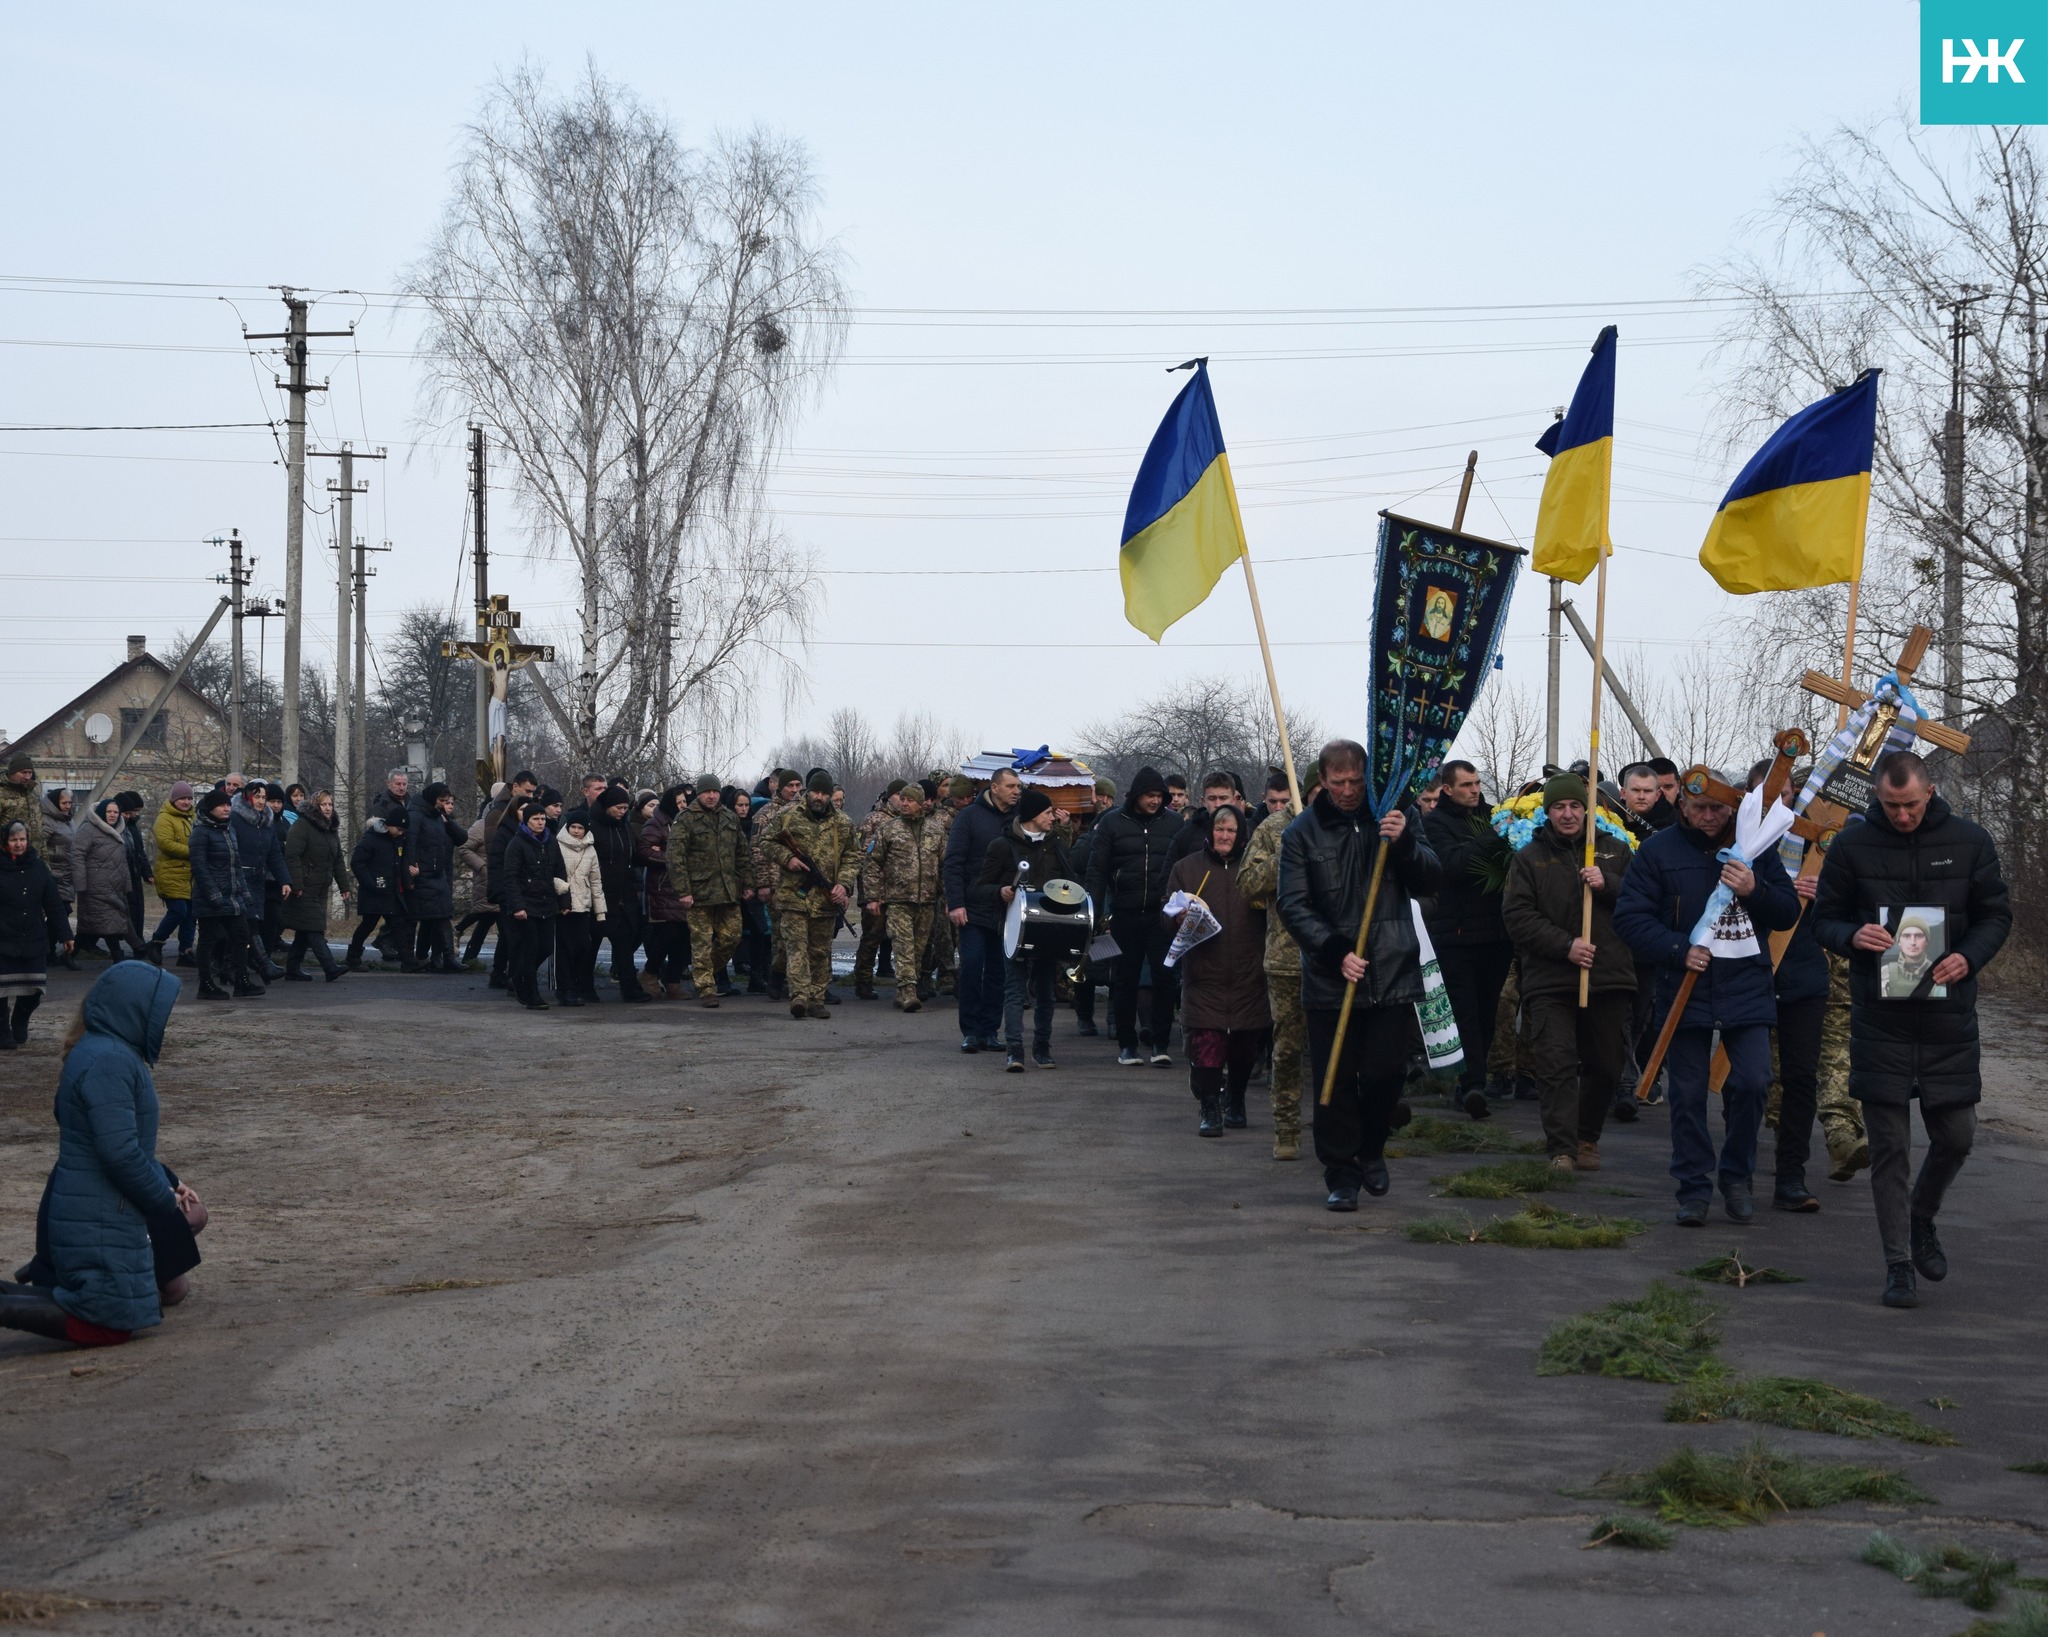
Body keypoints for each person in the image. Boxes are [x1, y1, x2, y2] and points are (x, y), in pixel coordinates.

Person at [1812, 750, 2012, 1308]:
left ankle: (1923, 1216)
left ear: (1930, 793)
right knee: (1890, 1149)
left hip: (1949, 1018)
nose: (1902, 816)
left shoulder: (1971, 841)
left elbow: (1996, 914)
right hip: (1882, 1021)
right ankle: (1897, 1264)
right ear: (1877, 796)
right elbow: (1822, 918)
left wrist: (1968, 958)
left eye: (1911, 805)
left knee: (1957, 1137)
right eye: (1891, 805)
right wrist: (1852, 937)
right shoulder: (1851, 845)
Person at [1615, 778, 1800, 1228]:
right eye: (1699, 808)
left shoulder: (1754, 846)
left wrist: (1755, 887)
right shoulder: (1658, 852)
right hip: (1685, 987)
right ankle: (1693, 1187)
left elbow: (1787, 912)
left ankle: (1737, 1178)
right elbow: (1630, 918)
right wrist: (1679, 949)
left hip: (1746, 985)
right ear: (1681, 805)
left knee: (1755, 1082)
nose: (1709, 817)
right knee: (1687, 1092)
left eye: (1718, 809)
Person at [0, 962, 205, 1349]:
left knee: (105, 1311)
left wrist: (167, 1183)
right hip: (100, 1208)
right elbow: (120, 1153)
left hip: (96, 1203)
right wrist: (162, 1197)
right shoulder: (110, 1060)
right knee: (105, 1322)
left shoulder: (102, 1051)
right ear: (131, 1009)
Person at [1276, 740, 1442, 1211]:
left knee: (1387, 1072)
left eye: (1355, 781)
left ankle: (1372, 1149)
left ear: (1368, 777)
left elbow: (1432, 880)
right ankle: (1341, 1172)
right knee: (1335, 1080)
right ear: (1322, 782)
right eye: (1338, 782)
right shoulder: (1301, 833)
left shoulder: (1396, 814)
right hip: (1332, 977)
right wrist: (1333, 952)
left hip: (1392, 969)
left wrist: (1405, 840)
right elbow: (1293, 904)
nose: (1348, 791)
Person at [1501, 773, 1637, 1173]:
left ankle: (1586, 1137)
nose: (1567, 814)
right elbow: (1517, 916)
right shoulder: (1528, 858)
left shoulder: (1615, 851)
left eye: (1575, 806)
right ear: (1547, 812)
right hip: (1551, 979)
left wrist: (1608, 883)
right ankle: (1561, 1148)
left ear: (1586, 809)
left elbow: (1644, 900)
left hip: (1609, 975)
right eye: (1559, 807)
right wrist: (1566, 946)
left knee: (1605, 1064)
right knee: (1555, 1063)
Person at [1163, 802, 1267, 1136]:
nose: (1224, 836)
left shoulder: (1254, 868)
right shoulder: (1186, 868)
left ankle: (1235, 1100)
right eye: (1219, 829)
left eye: (1231, 830)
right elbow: (1165, 916)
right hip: (1204, 971)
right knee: (1207, 1043)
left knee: (1243, 1045)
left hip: (1249, 971)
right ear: (1210, 832)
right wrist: (1178, 918)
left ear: (1241, 834)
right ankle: (1209, 1106)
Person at [1421, 759, 1513, 1121]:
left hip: (1496, 933)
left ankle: (1475, 1077)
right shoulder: (1434, 824)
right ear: (1447, 789)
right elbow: (1451, 866)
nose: (1474, 790)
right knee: (1465, 1012)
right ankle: (1470, 1083)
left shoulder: (1493, 815)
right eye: (1466, 785)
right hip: (1456, 935)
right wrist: (1494, 837)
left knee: (1488, 1011)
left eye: (1476, 784)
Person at [1087, 765, 1185, 1067]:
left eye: (1159, 795)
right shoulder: (1112, 823)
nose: (1154, 801)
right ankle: (1127, 1043)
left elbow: (1183, 867)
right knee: (1125, 980)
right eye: (1149, 796)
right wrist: (1094, 910)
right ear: (1137, 796)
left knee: (1165, 978)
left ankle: (1160, 1042)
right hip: (1125, 913)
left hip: (1161, 914)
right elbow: (1097, 869)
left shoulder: (1174, 823)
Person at [970, 788, 1072, 1069]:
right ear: (1032, 816)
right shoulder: (1002, 846)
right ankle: (1015, 1050)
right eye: (1048, 813)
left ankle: (1042, 1047)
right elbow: (981, 887)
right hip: (1014, 927)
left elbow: (1071, 882)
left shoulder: (1057, 845)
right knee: (1014, 990)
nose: (1053, 817)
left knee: (1046, 991)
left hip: (1049, 927)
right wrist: (1000, 891)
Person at [1239, 775, 1313, 1160]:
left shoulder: (1347, 827)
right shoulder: (1274, 828)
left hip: (1339, 959)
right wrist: (1288, 852)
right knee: (1286, 1050)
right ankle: (1287, 1128)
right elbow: (1248, 883)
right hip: (1288, 957)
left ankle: (1344, 1128)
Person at [760, 770, 859, 1020]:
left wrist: (844, 884)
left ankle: (816, 999)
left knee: (819, 951)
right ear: (808, 792)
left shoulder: (843, 823)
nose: (820, 797)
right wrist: (788, 858)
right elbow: (766, 842)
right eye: (816, 792)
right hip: (794, 895)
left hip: (826, 899)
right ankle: (799, 997)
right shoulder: (788, 816)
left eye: (825, 793)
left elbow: (854, 855)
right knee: (796, 949)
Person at [944, 767, 1022, 1051]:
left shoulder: (1020, 818)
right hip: (973, 907)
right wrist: (955, 903)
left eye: (1018, 787)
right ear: (995, 787)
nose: (1016, 791)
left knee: (998, 971)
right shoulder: (969, 817)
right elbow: (953, 862)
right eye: (1011, 786)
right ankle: (971, 1031)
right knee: (972, 965)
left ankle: (990, 1030)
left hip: (1007, 909)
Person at [865, 779, 947, 1015]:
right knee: (903, 946)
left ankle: (904, 991)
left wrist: (948, 897)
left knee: (919, 949)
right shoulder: (888, 830)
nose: (905, 803)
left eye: (910, 800)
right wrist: (873, 896)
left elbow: (945, 866)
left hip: (927, 900)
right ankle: (908, 991)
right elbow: (872, 865)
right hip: (898, 900)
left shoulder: (936, 831)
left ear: (922, 804)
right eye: (902, 799)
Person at [671, 774, 752, 1008]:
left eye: (715, 792)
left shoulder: (729, 817)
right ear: (699, 793)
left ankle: (702, 971)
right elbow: (676, 858)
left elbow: (742, 853)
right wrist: (683, 891)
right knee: (701, 941)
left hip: (728, 892)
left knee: (732, 937)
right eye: (707, 792)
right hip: (699, 893)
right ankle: (706, 987)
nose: (712, 795)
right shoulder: (686, 819)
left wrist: (748, 883)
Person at [0, 820, 71, 1048]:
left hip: (33, 936)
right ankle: (2, 1032)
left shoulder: (38, 867)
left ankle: (20, 1018)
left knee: (34, 991)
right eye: (13, 840)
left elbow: (53, 904)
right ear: (5, 842)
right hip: (3, 937)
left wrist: (66, 935)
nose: (18, 844)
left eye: (22, 839)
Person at [188, 787, 256, 1000]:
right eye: (221, 805)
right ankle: (205, 984)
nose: (226, 808)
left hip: (232, 897)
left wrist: (244, 893)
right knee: (208, 940)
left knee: (241, 936)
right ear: (210, 808)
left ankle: (241, 980)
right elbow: (199, 867)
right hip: (211, 899)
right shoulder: (200, 832)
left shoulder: (229, 830)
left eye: (228, 804)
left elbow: (236, 866)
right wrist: (213, 894)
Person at [281, 790, 350, 981]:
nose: (328, 808)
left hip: (321, 887)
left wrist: (344, 886)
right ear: (314, 807)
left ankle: (292, 969)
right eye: (324, 804)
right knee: (314, 928)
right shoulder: (302, 826)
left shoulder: (330, 829)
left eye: (330, 804)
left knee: (305, 930)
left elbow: (337, 860)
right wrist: (296, 883)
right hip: (304, 887)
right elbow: (292, 856)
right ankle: (329, 967)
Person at [589, 786, 648, 1003]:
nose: (622, 811)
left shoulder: (624, 828)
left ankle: (629, 988)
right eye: (618, 807)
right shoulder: (592, 827)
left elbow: (632, 857)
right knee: (591, 944)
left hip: (623, 895)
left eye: (625, 808)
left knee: (624, 944)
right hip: (598, 896)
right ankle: (585, 986)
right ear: (607, 807)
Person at [501, 799, 560, 1009]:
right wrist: (518, 906)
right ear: (527, 821)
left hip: (547, 903)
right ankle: (532, 995)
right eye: (536, 819)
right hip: (526, 904)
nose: (540, 822)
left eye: (543, 818)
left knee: (545, 947)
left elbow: (559, 872)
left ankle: (519, 976)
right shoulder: (517, 844)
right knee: (531, 948)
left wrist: (564, 900)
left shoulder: (551, 841)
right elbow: (510, 877)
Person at [73, 797, 147, 963]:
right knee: (108, 921)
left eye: (115, 812)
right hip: (94, 885)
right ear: (101, 812)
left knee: (98, 923)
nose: (112, 815)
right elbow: (77, 855)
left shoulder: (120, 830)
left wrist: (126, 884)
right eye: (109, 812)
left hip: (114, 885)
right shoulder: (88, 829)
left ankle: (70, 955)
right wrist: (80, 883)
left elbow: (122, 861)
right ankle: (120, 955)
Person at [229, 781, 291, 979]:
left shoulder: (266, 822)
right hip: (238, 878)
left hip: (258, 880)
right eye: (257, 796)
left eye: (264, 797)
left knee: (250, 924)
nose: (261, 801)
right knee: (248, 924)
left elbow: (274, 854)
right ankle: (263, 964)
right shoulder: (235, 819)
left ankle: (229, 969)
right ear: (248, 797)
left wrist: (285, 880)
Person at [406, 783, 469, 974]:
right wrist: (410, 874)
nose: (444, 804)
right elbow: (410, 844)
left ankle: (434, 958)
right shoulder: (416, 815)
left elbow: (461, 838)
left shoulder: (437, 816)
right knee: (436, 917)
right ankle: (435, 958)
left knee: (438, 916)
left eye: (446, 802)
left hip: (439, 874)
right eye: (441, 801)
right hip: (423, 875)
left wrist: (447, 821)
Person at [347, 808, 418, 972]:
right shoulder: (371, 839)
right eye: (398, 829)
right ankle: (353, 957)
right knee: (368, 924)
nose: (400, 833)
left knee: (397, 925)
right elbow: (357, 863)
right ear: (388, 825)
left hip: (390, 891)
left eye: (403, 831)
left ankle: (408, 961)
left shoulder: (398, 840)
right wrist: (371, 883)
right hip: (374, 891)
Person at [853, 783, 906, 1000]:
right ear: (888, 796)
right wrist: (869, 894)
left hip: (899, 892)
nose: (902, 800)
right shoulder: (874, 820)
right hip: (876, 891)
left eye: (905, 796)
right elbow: (863, 857)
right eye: (897, 796)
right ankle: (863, 980)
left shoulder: (905, 821)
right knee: (872, 937)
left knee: (900, 937)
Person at [639, 785, 693, 999]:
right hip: (663, 886)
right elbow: (644, 851)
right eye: (679, 802)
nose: (682, 806)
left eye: (684, 802)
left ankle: (673, 981)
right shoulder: (656, 823)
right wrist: (670, 858)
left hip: (683, 886)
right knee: (668, 933)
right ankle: (650, 972)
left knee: (682, 934)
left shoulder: (684, 823)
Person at [551, 807, 607, 1006]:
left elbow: (596, 881)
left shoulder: (590, 849)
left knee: (583, 946)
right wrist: (561, 891)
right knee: (564, 948)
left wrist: (600, 911)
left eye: (580, 827)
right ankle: (564, 988)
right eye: (573, 827)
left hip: (583, 905)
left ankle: (575, 983)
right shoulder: (556, 845)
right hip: (564, 905)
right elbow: (550, 873)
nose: (576, 831)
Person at [148, 782, 197, 968]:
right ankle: (156, 942)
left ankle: (186, 951)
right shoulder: (164, 818)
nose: (186, 802)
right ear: (174, 799)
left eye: (189, 798)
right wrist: (194, 851)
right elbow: (166, 843)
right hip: (170, 873)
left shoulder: (192, 817)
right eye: (183, 798)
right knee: (178, 911)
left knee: (191, 914)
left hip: (189, 875)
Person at [37, 785, 77, 967]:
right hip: (53, 873)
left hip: (66, 874)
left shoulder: (68, 820)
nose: (68, 805)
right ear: (55, 803)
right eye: (64, 802)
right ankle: (47, 950)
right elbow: (38, 846)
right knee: (59, 912)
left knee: (61, 913)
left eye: (69, 802)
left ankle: (49, 950)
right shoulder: (47, 821)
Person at [114, 789, 153, 949]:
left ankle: (138, 940)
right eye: (133, 811)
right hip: (124, 874)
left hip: (134, 872)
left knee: (137, 910)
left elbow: (139, 851)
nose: (135, 815)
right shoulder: (122, 828)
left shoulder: (132, 827)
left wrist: (147, 872)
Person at [0, 751, 45, 853]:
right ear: (12, 772)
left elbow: (40, 831)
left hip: (33, 858)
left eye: (30, 772)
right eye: (23, 772)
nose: (27, 777)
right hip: (8, 858)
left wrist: (44, 863)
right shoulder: (2, 793)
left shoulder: (33, 794)